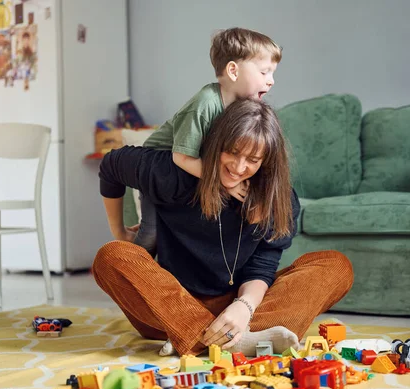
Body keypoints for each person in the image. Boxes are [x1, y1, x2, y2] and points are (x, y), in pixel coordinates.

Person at [94, 99, 354, 357]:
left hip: (239, 310)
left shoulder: (278, 199)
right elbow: (111, 166)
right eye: (232, 152)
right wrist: (119, 231)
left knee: (335, 266)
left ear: (267, 161)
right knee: (111, 256)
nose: (239, 168)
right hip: (170, 307)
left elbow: (261, 268)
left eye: (252, 160)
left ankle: (204, 337)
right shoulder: (172, 173)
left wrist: (244, 307)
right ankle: (234, 340)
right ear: (215, 143)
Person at [133, 27, 282, 257]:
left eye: (272, 74)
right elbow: (181, 157)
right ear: (233, 70)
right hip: (162, 163)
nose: (271, 81)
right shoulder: (206, 104)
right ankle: (127, 270)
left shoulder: (238, 109)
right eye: (265, 72)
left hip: (189, 165)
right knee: (151, 234)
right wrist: (227, 182)